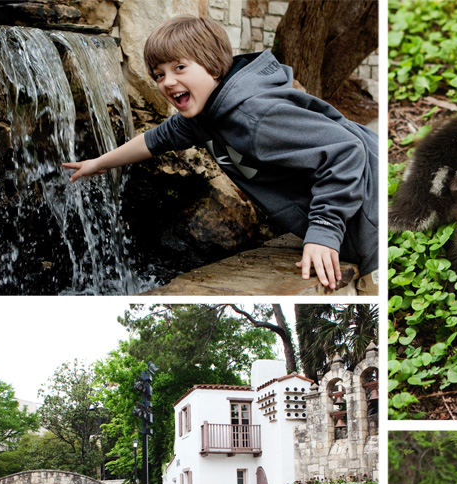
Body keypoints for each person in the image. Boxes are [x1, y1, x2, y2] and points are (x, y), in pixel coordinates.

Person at [62, 16, 378, 294]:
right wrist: (99, 163)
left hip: (371, 220)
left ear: (213, 66)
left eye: (179, 67)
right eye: (159, 74)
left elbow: (346, 151)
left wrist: (323, 230)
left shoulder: (255, 116)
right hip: (352, 215)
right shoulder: (205, 114)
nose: (168, 81)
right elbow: (156, 139)